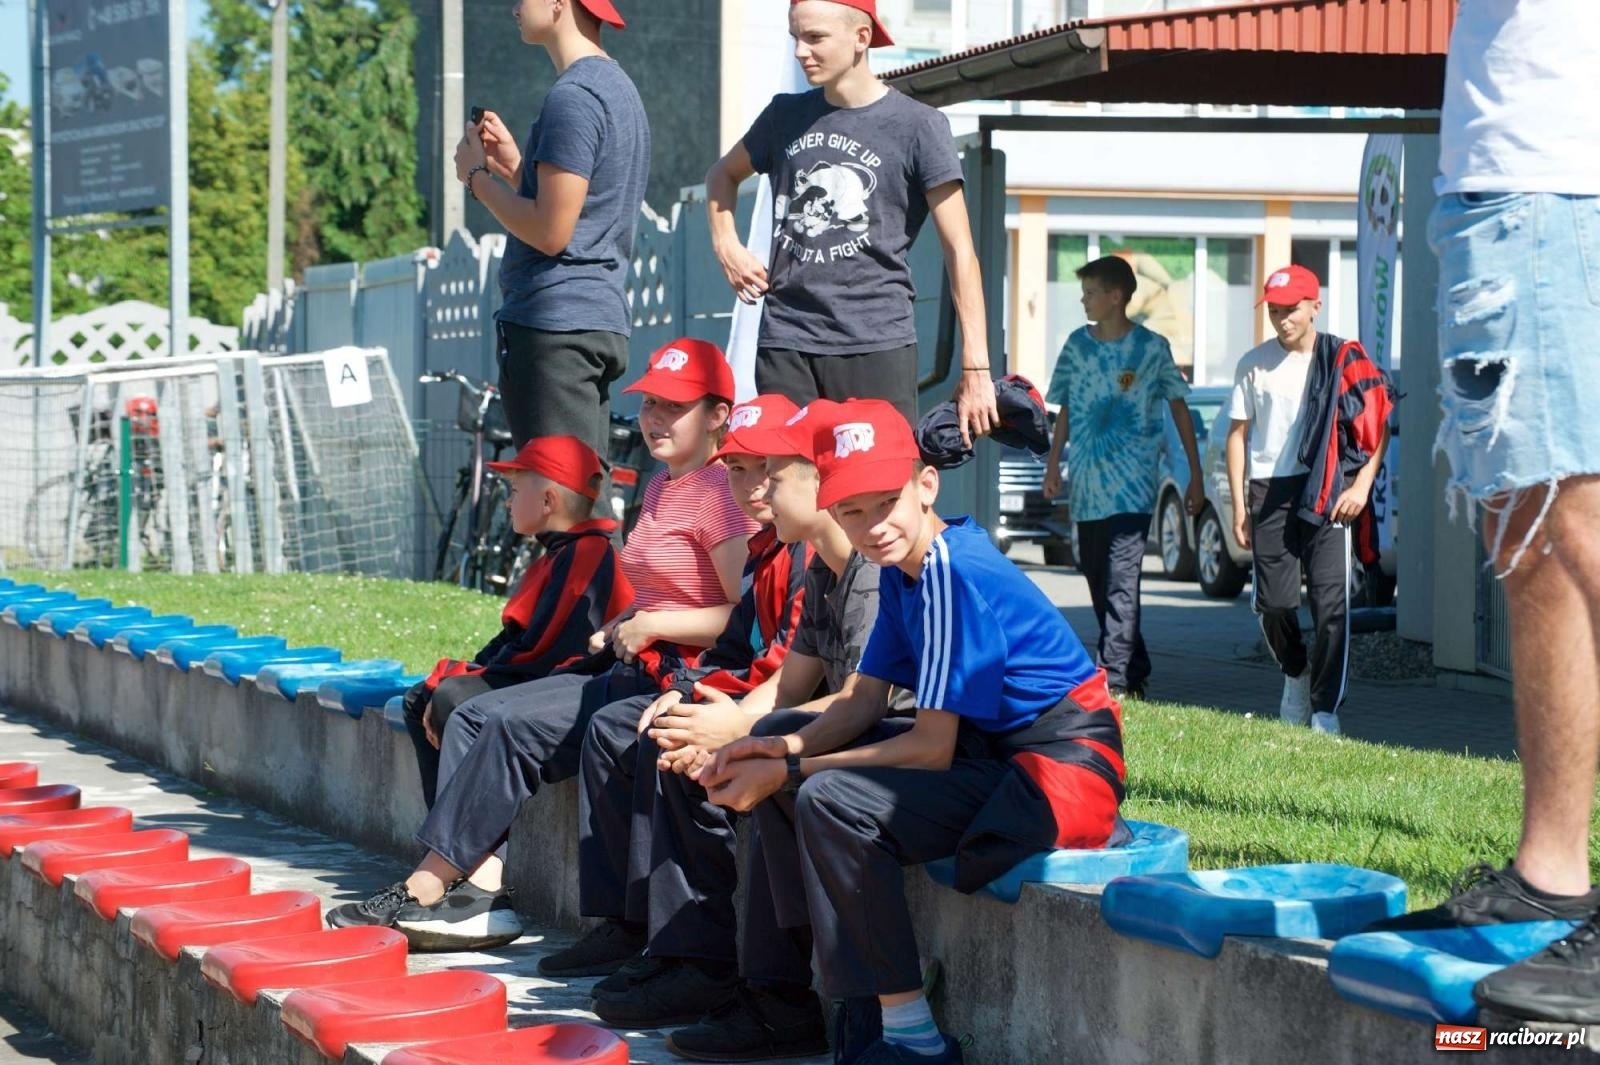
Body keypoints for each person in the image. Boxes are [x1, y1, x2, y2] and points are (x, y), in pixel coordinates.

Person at [698, 399, 1127, 1065]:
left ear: (925, 484)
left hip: (1062, 769)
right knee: (794, 739)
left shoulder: (952, 571)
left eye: (883, 501)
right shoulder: (906, 572)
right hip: (996, 751)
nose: (872, 526)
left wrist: (789, 771)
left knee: (832, 797)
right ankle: (833, 1005)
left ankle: (912, 1038)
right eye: (851, 511)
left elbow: (931, 746)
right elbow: (863, 700)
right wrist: (775, 745)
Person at [327, 338, 758, 950]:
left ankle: (426, 888)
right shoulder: (663, 485)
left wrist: (652, 623)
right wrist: (626, 623)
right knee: (474, 715)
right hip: (635, 665)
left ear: (719, 416)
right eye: (650, 404)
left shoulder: (722, 493)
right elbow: (666, 587)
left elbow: (740, 618)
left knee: (507, 723)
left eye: (675, 407)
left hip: (683, 680)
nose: (656, 419)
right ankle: (480, 896)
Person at [1364, 1, 1600, 1026]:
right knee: (1537, 547)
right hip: (1517, 173)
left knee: (1579, 534)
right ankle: (1550, 870)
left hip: (1558, 176)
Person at [543, 394, 814, 979]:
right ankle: (638, 927)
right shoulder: (768, 548)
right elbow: (738, 649)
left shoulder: (813, 554)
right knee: (623, 725)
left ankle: (699, 958)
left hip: (809, 721)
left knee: (674, 746)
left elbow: (799, 673)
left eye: (766, 469)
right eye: (738, 469)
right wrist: (691, 688)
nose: (750, 486)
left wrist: (733, 718)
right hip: (766, 702)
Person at [703, 0, 998, 442]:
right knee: (789, 497)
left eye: (815, 38)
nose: (801, 51)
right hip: (786, 340)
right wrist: (726, 243)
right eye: (796, 38)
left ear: (862, 38)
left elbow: (961, 252)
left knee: (876, 499)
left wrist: (976, 367)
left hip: (876, 344)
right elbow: (722, 176)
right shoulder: (783, 116)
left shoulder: (919, 126)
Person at [454, 0, 648, 456]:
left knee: (563, 512)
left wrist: (475, 178)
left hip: (554, 329)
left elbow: (550, 232)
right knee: (579, 508)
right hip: (590, 322)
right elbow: (580, 214)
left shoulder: (573, 97)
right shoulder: (617, 88)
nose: (513, 8)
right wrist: (516, 171)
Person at [400, 435, 632, 807]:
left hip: (566, 686)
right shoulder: (562, 551)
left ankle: (464, 847)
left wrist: (463, 676)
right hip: (540, 675)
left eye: (514, 490)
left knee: (451, 698)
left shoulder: (586, 552)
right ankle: (444, 834)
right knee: (419, 699)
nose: (508, 502)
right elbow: (518, 637)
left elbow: (546, 653)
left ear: (548, 500)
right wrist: (462, 669)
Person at [1222, 265, 1391, 736]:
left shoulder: (1344, 358)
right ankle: (1294, 671)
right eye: (1274, 311)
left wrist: (1360, 487)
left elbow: (1377, 426)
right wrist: (1239, 506)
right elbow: (1237, 437)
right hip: (1269, 490)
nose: (1282, 320)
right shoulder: (1252, 364)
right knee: (1272, 604)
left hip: (1330, 489)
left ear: (1315, 306)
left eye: (1290, 310)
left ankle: (1324, 709)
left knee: (1331, 607)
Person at [1042, 255, 1203, 699]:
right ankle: (1136, 662)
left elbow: (1178, 406)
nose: (1083, 300)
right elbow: (1066, 408)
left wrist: (1195, 475)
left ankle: (1111, 677)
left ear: (1117, 297)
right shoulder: (1077, 345)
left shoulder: (1152, 348)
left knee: (1121, 579)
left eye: (1090, 293)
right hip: (1088, 486)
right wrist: (1054, 465)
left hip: (1134, 486)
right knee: (1096, 575)